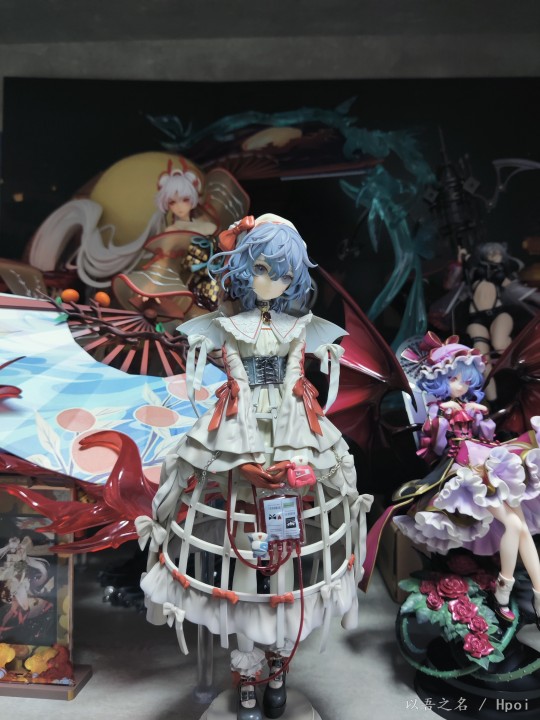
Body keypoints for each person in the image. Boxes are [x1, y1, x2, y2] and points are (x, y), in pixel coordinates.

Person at [137, 214, 371, 720]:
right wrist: (241, 457)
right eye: (262, 269)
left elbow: (293, 380)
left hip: (291, 428)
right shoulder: (229, 326)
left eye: (283, 274)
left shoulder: (299, 327)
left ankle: (278, 672)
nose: (272, 282)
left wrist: (294, 449)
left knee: (287, 559)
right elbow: (238, 382)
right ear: (244, 267)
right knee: (242, 559)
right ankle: (246, 678)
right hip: (238, 429)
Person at [394, 333, 540, 627]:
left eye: (466, 380)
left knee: (522, 526)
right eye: (454, 379)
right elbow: (436, 448)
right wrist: (446, 418)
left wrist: (479, 416)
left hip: (489, 461)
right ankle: (503, 591)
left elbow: (486, 437)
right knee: (513, 525)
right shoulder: (437, 411)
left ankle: (539, 594)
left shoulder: (467, 406)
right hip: (464, 469)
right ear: (440, 380)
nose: (461, 386)